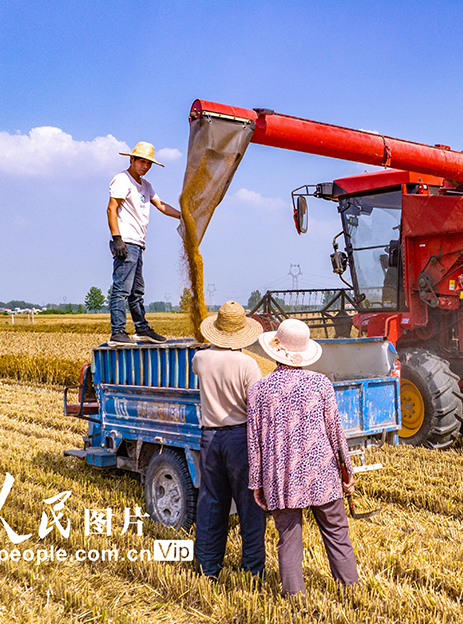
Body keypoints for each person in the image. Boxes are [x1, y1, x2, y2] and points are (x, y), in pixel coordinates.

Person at [247, 319, 359, 595]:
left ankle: (295, 598)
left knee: (288, 540)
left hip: (282, 478)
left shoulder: (259, 390)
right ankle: (350, 590)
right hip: (322, 473)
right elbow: (336, 434)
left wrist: (256, 483)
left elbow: (254, 443)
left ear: (276, 349)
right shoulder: (320, 384)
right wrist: (348, 472)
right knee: (337, 534)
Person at [192, 301, 267, 579]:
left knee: (211, 503)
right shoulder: (248, 364)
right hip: (240, 437)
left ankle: (208, 568)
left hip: (210, 437)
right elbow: (256, 404)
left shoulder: (200, 359)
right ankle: (252, 570)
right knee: (249, 506)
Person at [107, 141, 181, 346]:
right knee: (122, 289)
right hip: (126, 241)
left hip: (138, 243)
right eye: (142, 162)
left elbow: (161, 205)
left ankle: (141, 329)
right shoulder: (122, 180)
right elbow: (112, 209)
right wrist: (117, 238)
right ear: (131, 159)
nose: (145, 167)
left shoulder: (146, 186)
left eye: (149, 164)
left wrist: (184, 217)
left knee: (137, 290)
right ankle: (118, 332)